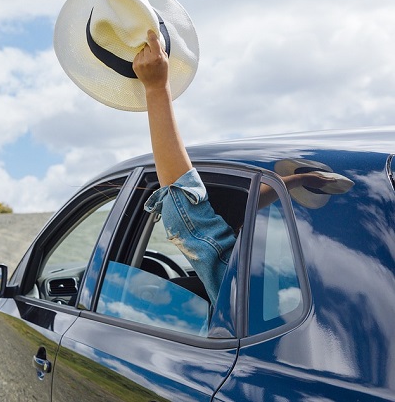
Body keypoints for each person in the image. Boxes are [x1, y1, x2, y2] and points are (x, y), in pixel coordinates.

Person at [132, 30, 338, 304]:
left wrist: (156, 89)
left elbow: (186, 211)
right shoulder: (328, 283)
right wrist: (295, 181)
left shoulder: (243, 290)